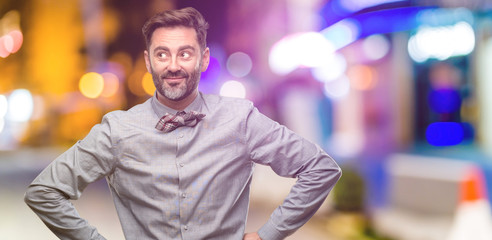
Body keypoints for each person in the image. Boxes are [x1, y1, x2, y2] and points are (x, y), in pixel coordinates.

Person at [24, 7, 342, 240]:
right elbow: (44, 192)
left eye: (185, 54)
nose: (173, 65)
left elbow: (321, 169)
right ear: (148, 61)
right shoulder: (117, 130)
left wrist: (269, 234)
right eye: (162, 55)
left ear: (203, 59)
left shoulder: (240, 119)